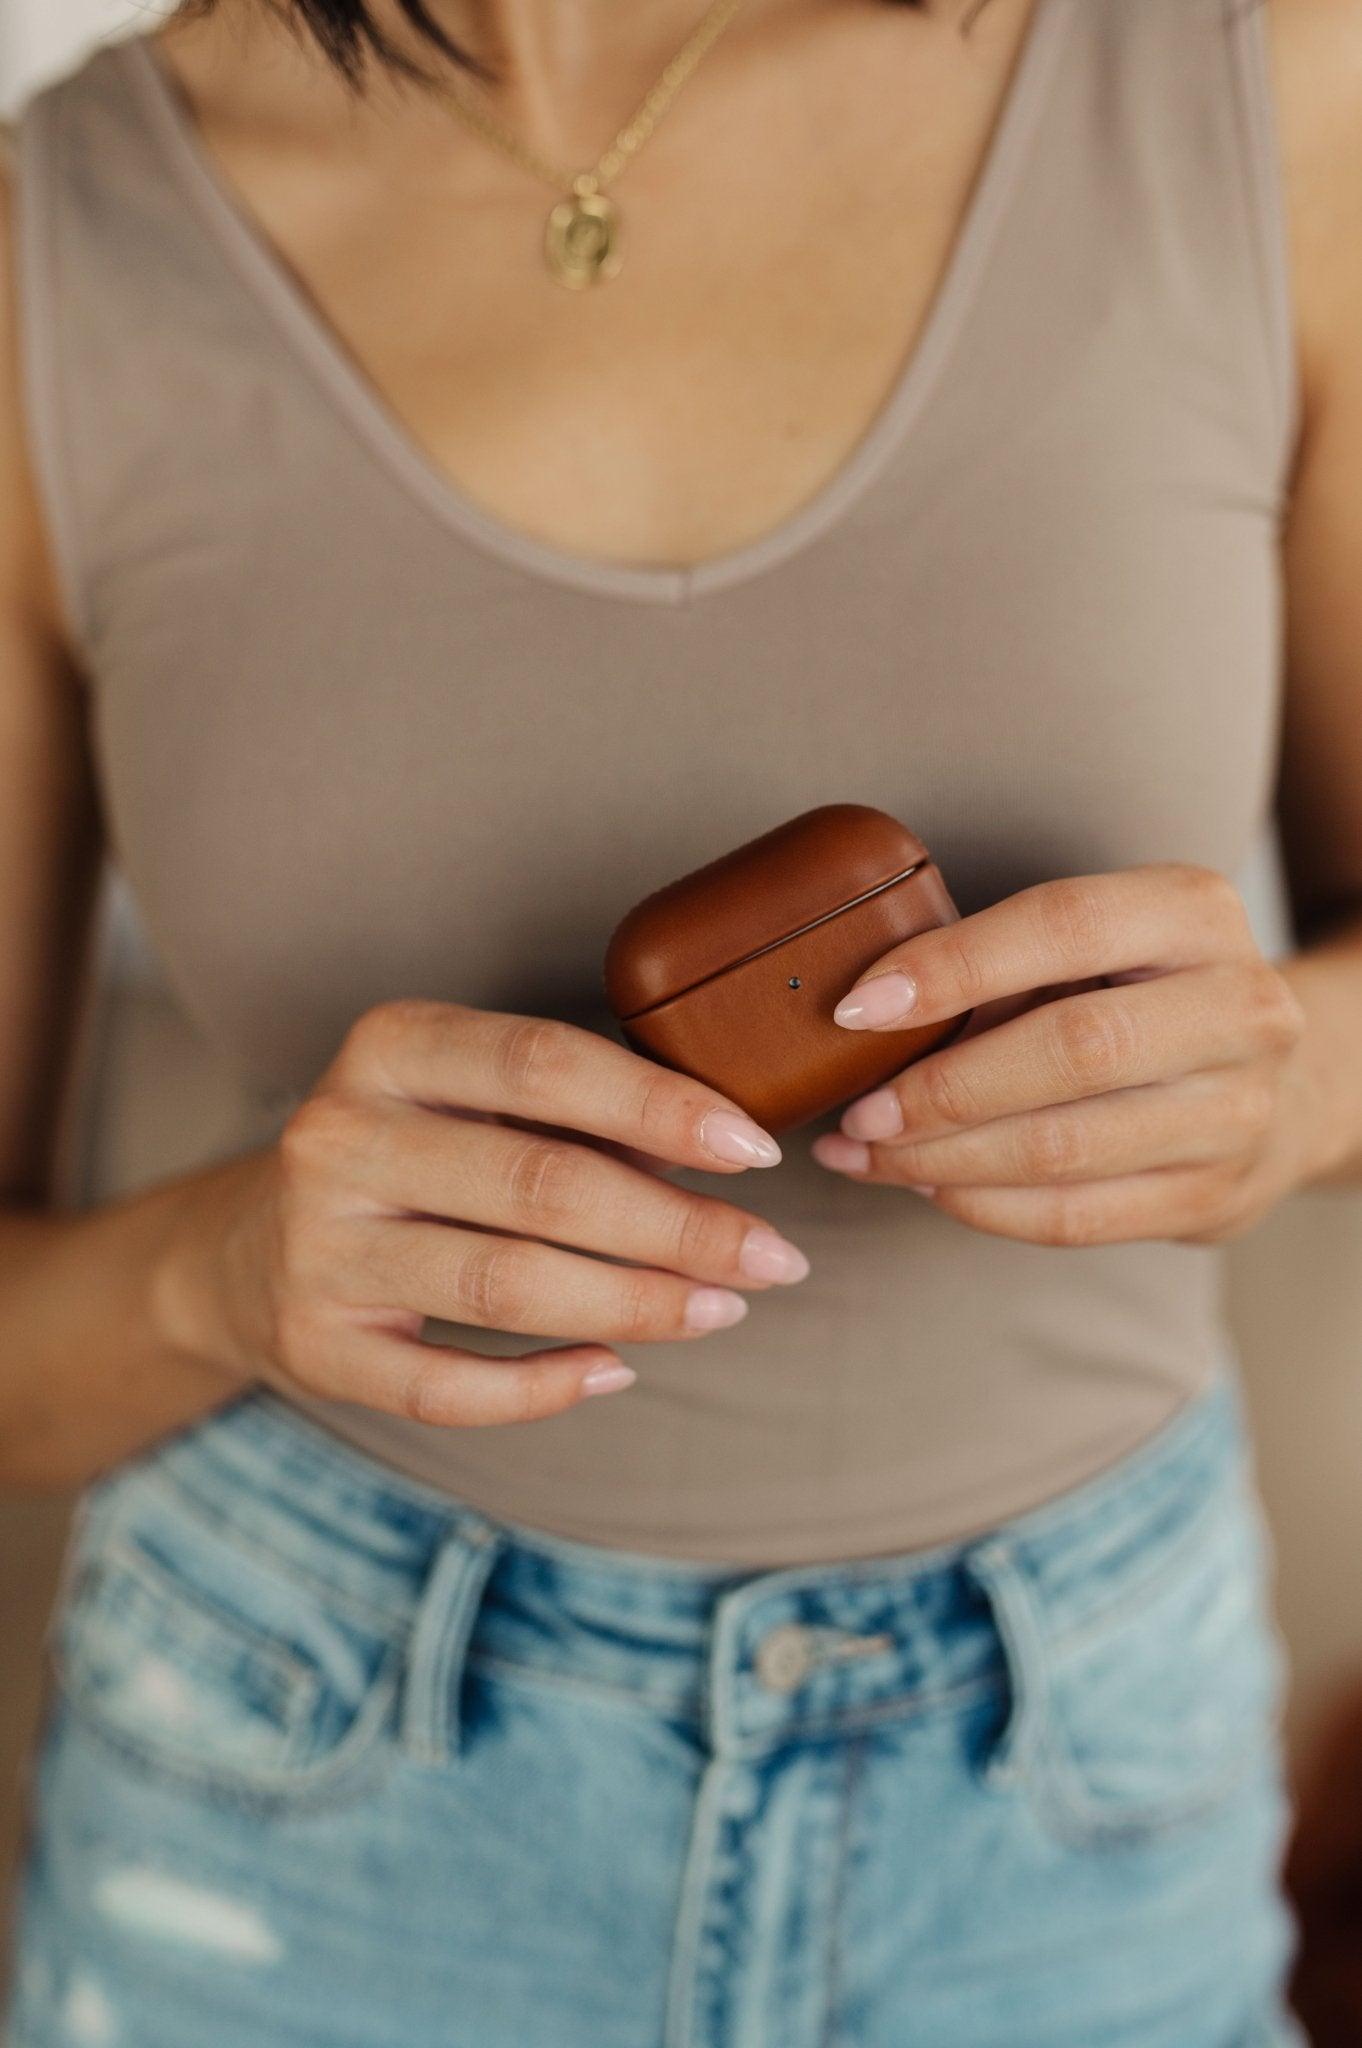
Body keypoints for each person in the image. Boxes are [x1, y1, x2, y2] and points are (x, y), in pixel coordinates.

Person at [0, 0, 1359, 2036]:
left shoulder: (1271, 88)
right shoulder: (57, 252)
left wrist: (1307, 1068)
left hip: (1078, 1790)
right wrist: (227, 1266)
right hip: (310, 1807)